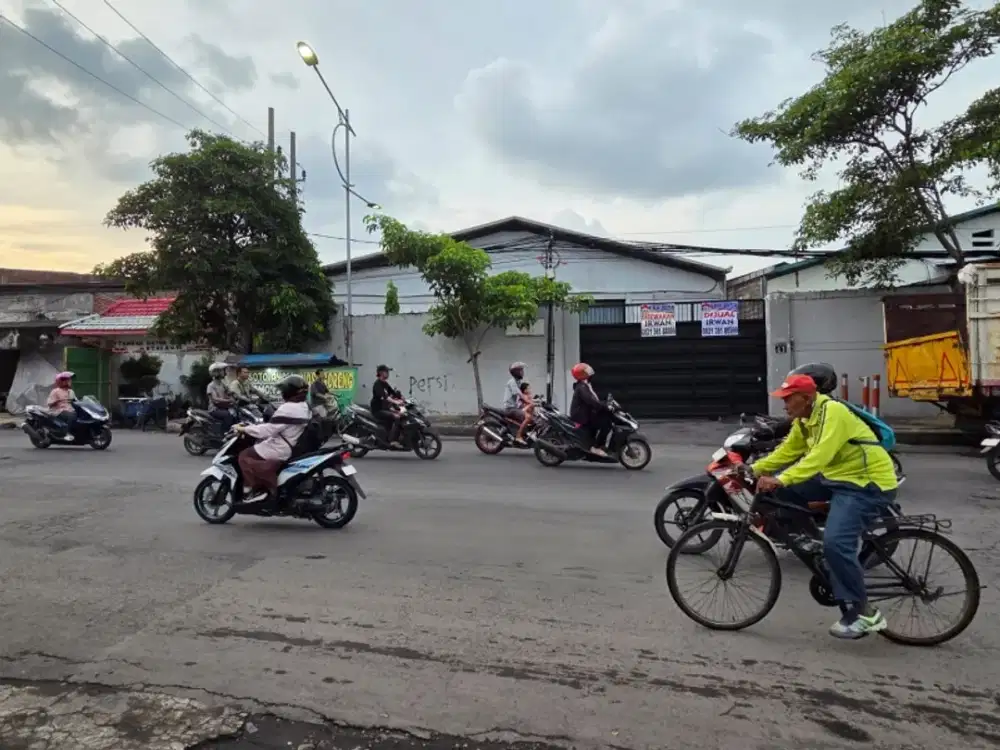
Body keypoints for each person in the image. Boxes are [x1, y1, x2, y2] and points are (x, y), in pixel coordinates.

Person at [751, 367, 899, 640]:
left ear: (806, 397)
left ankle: (864, 613)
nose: (783, 403)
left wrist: (781, 478)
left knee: (837, 543)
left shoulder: (833, 413)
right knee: (780, 496)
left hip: (866, 484)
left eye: (788, 398)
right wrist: (755, 470)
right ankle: (811, 539)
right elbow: (789, 450)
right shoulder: (805, 418)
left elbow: (818, 456)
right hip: (838, 479)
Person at [236, 374, 311, 513]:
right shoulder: (303, 406)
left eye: (284, 391)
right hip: (288, 443)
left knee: (244, 455)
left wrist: (244, 429)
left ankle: (257, 491)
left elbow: (267, 430)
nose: (282, 393)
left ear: (290, 392)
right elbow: (277, 425)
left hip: (280, 447)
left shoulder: (288, 408)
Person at [569, 362, 612, 456]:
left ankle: (598, 444)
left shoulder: (585, 384)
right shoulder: (582, 387)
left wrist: (604, 403)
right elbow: (591, 401)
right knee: (605, 424)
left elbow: (594, 399)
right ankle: (596, 447)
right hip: (581, 416)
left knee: (605, 421)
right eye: (586, 371)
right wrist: (604, 406)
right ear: (582, 374)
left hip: (586, 413)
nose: (589, 372)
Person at [371, 364, 404, 447]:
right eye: (387, 372)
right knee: (397, 417)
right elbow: (384, 397)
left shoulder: (384, 383)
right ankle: (393, 441)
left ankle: (389, 435)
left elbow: (392, 392)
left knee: (401, 414)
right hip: (378, 410)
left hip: (385, 408)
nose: (388, 374)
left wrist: (403, 399)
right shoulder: (377, 384)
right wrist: (395, 402)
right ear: (381, 373)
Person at [206, 363, 235, 431]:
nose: (225, 372)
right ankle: (224, 434)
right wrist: (229, 400)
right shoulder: (211, 386)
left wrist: (235, 395)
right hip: (214, 409)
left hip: (223, 407)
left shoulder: (222, 384)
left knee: (237, 414)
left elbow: (229, 392)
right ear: (216, 372)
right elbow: (214, 399)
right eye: (223, 370)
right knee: (228, 415)